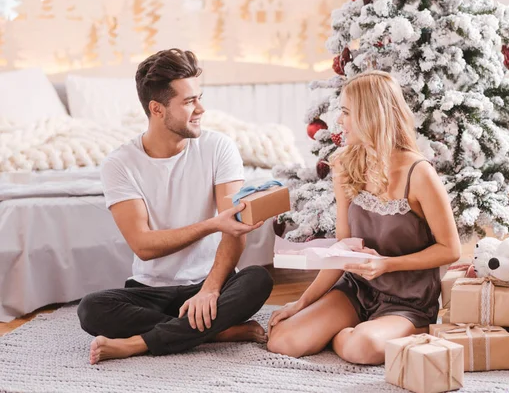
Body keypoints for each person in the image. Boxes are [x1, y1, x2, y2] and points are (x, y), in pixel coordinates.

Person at [77, 49, 273, 365]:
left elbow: (234, 228)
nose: (201, 109)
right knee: (91, 309)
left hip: (211, 284)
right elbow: (143, 246)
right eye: (189, 101)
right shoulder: (120, 164)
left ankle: (139, 343)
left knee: (257, 279)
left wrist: (210, 289)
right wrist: (212, 224)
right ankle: (217, 332)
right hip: (151, 292)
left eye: (200, 97)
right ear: (157, 109)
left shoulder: (218, 147)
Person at [267, 70, 461, 365]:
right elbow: (344, 247)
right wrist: (303, 301)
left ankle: (395, 331)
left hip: (407, 300)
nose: (339, 121)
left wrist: (387, 265)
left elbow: (451, 249)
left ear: (372, 115)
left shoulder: (419, 174)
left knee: (361, 347)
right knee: (282, 340)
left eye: (346, 112)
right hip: (357, 289)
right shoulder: (346, 163)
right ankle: (353, 331)